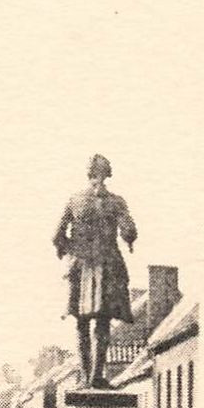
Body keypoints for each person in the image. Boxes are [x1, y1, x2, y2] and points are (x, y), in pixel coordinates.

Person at [52, 153, 137, 388]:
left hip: (80, 265)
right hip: (108, 265)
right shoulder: (116, 202)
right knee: (102, 322)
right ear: (107, 175)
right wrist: (128, 238)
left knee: (81, 322)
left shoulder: (75, 200)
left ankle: (83, 376)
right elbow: (129, 231)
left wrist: (70, 252)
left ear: (88, 174)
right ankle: (97, 376)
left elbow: (56, 236)